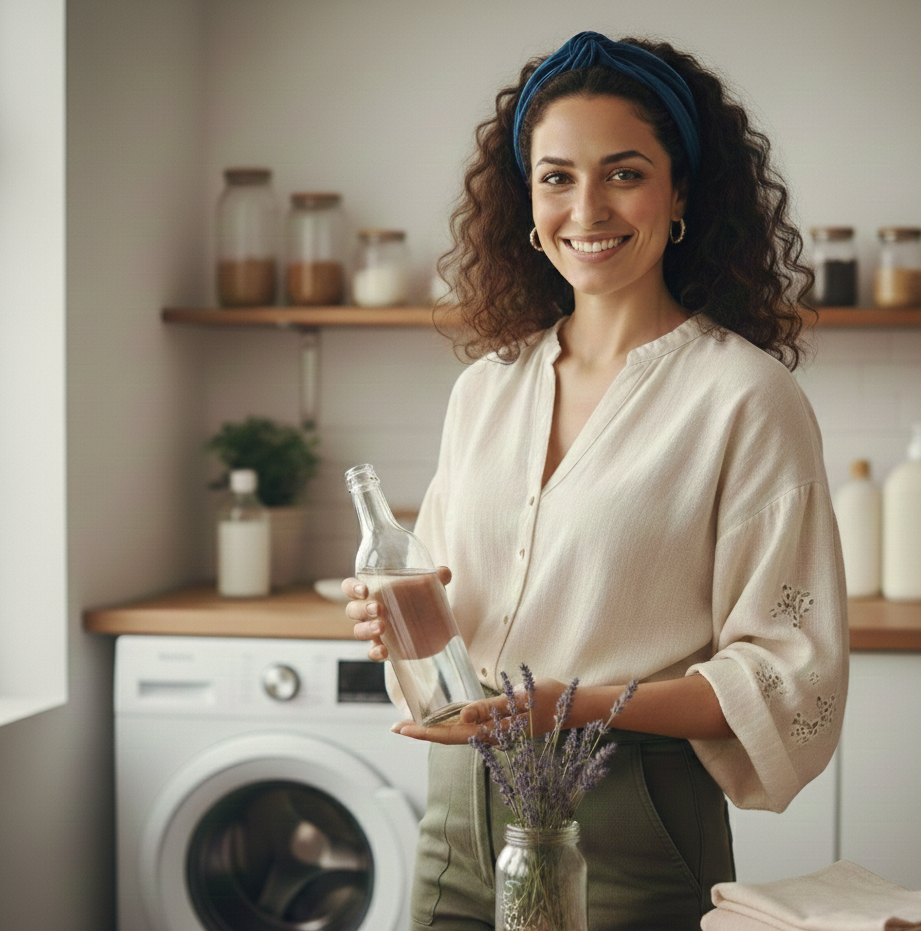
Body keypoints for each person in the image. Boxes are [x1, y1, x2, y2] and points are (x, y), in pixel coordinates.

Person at [342, 30, 848, 931]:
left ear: (681, 188)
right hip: (458, 825)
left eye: (624, 172)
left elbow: (785, 670)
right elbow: (452, 620)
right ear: (525, 203)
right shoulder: (484, 390)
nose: (587, 207)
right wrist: (401, 622)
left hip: (630, 825)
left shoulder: (745, 398)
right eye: (557, 177)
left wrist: (563, 707)